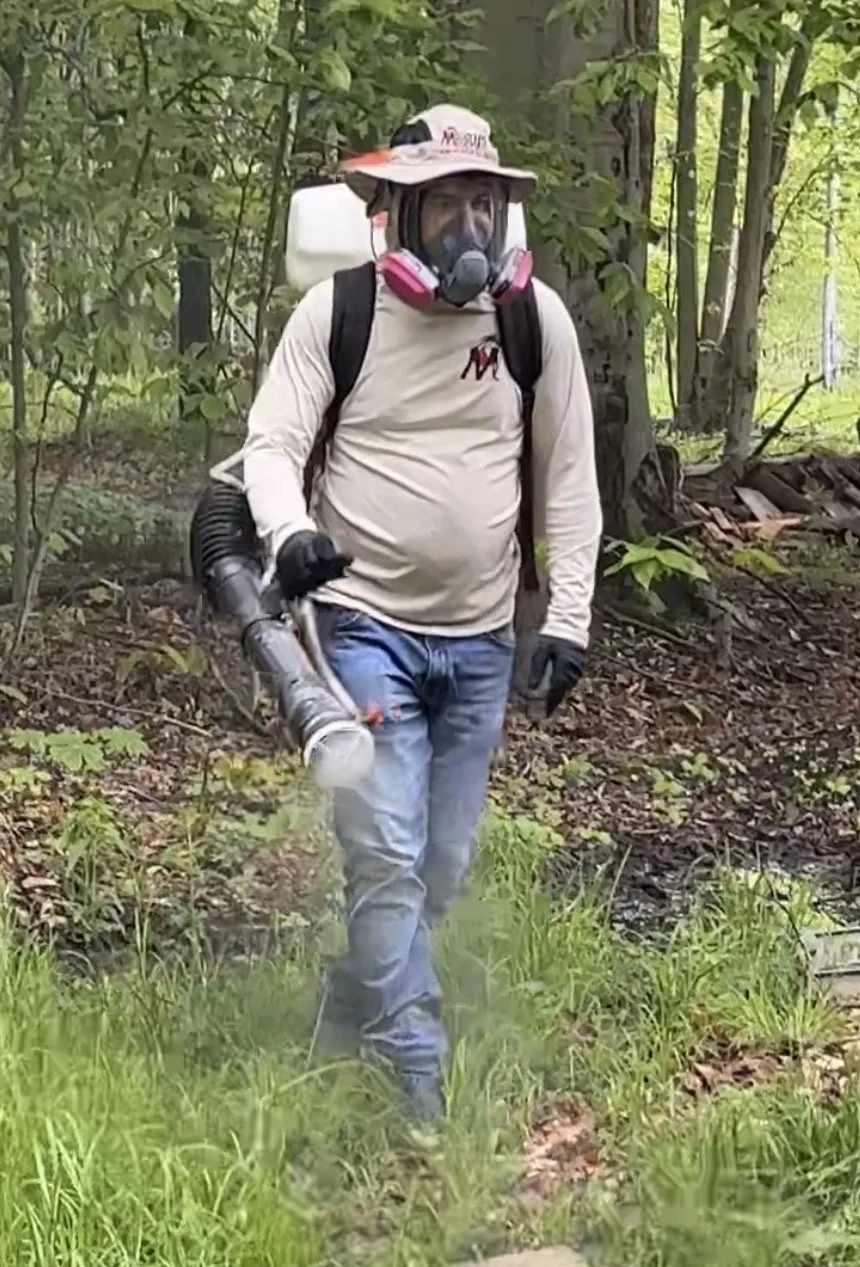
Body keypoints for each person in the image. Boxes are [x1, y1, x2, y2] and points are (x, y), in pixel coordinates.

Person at [242, 103, 602, 1123]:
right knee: (387, 852)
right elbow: (271, 442)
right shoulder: (339, 313)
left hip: (482, 638)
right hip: (360, 627)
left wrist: (566, 620)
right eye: (445, 202)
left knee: (436, 865)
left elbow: (568, 479)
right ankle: (420, 1087)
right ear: (395, 214)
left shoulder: (535, 323)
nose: (468, 227)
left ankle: (349, 1001)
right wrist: (287, 533)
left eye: (481, 201)